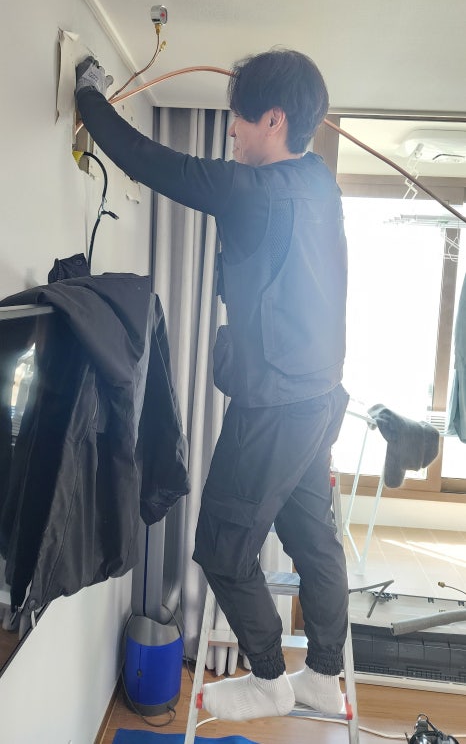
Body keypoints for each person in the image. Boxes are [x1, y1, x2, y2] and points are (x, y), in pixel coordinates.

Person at [76, 49, 349, 723]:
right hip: (317, 400)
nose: (231, 131)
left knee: (222, 551)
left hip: (274, 407)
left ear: (275, 120)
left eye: (240, 119)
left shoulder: (253, 190)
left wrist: (88, 97)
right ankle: (323, 673)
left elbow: (150, 162)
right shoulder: (320, 183)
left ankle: (269, 678)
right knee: (313, 540)